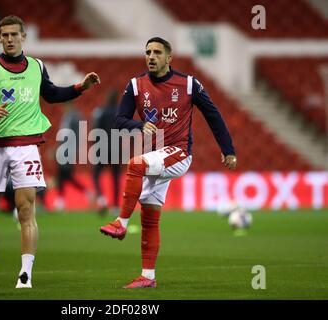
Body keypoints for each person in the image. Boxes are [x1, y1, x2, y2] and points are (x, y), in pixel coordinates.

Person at [0, 15, 100, 289]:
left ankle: (25, 274)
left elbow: (51, 94)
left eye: (15, 34)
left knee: (26, 210)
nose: (10, 39)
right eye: (5, 35)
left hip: (26, 147)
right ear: (0, 38)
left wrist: (79, 87)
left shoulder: (37, 66)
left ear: (23, 37)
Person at [100, 37, 237, 289]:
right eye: (147, 52)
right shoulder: (135, 85)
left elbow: (212, 114)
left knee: (135, 164)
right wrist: (139, 125)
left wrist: (228, 150)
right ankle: (148, 277)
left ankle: (120, 223)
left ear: (168, 58)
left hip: (179, 153)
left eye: (156, 52)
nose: (150, 57)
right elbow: (119, 121)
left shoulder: (188, 85)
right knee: (150, 217)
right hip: (156, 159)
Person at [54, 102, 93, 210]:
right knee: (64, 175)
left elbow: (78, 133)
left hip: (69, 150)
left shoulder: (75, 117)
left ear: (69, 105)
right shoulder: (66, 117)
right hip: (63, 149)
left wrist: (76, 149)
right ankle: (62, 199)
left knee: (63, 174)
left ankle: (61, 200)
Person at [91, 90, 122, 215]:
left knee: (96, 173)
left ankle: (102, 199)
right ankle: (115, 206)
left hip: (102, 147)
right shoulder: (121, 113)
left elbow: (96, 129)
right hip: (116, 149)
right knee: (115, 178)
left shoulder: (101, 112)